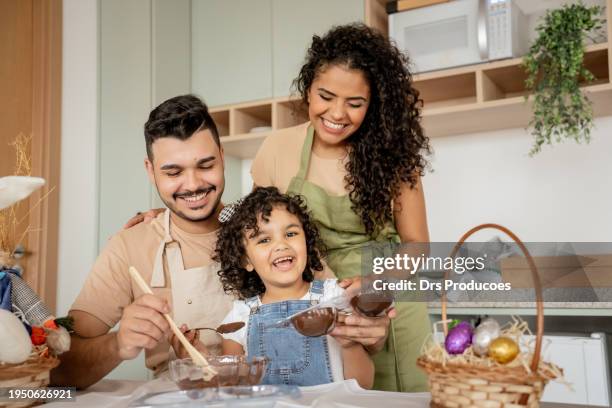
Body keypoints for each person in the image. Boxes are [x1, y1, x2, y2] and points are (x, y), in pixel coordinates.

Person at [250, 23, 432, 392]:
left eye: (355, 103)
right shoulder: (277, 148)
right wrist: (168, 217)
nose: (337, 113)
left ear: (374, 102)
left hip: (390, 305)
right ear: (308, 89)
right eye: (326, 96)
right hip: (320, 307)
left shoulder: (394, 157)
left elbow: (418, 246)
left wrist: (371, 285)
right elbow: (252, 223)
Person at [51, 95, 234, 388]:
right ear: (150, 171)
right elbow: (59, 370)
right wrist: (118, 344)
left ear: (222, 157)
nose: (193, 184)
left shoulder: (268, 231)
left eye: (205, 165)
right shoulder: (129, 247)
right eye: (173, 172)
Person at [174, 187, 374, 388]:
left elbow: (363, 386)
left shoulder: (336, 298)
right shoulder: (239, 317)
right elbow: (232, 388)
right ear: (246, 260)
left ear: (306, 241)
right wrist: (205, 361)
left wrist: (350, 345)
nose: (281, 245)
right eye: (264, 239)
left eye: (291, 233)